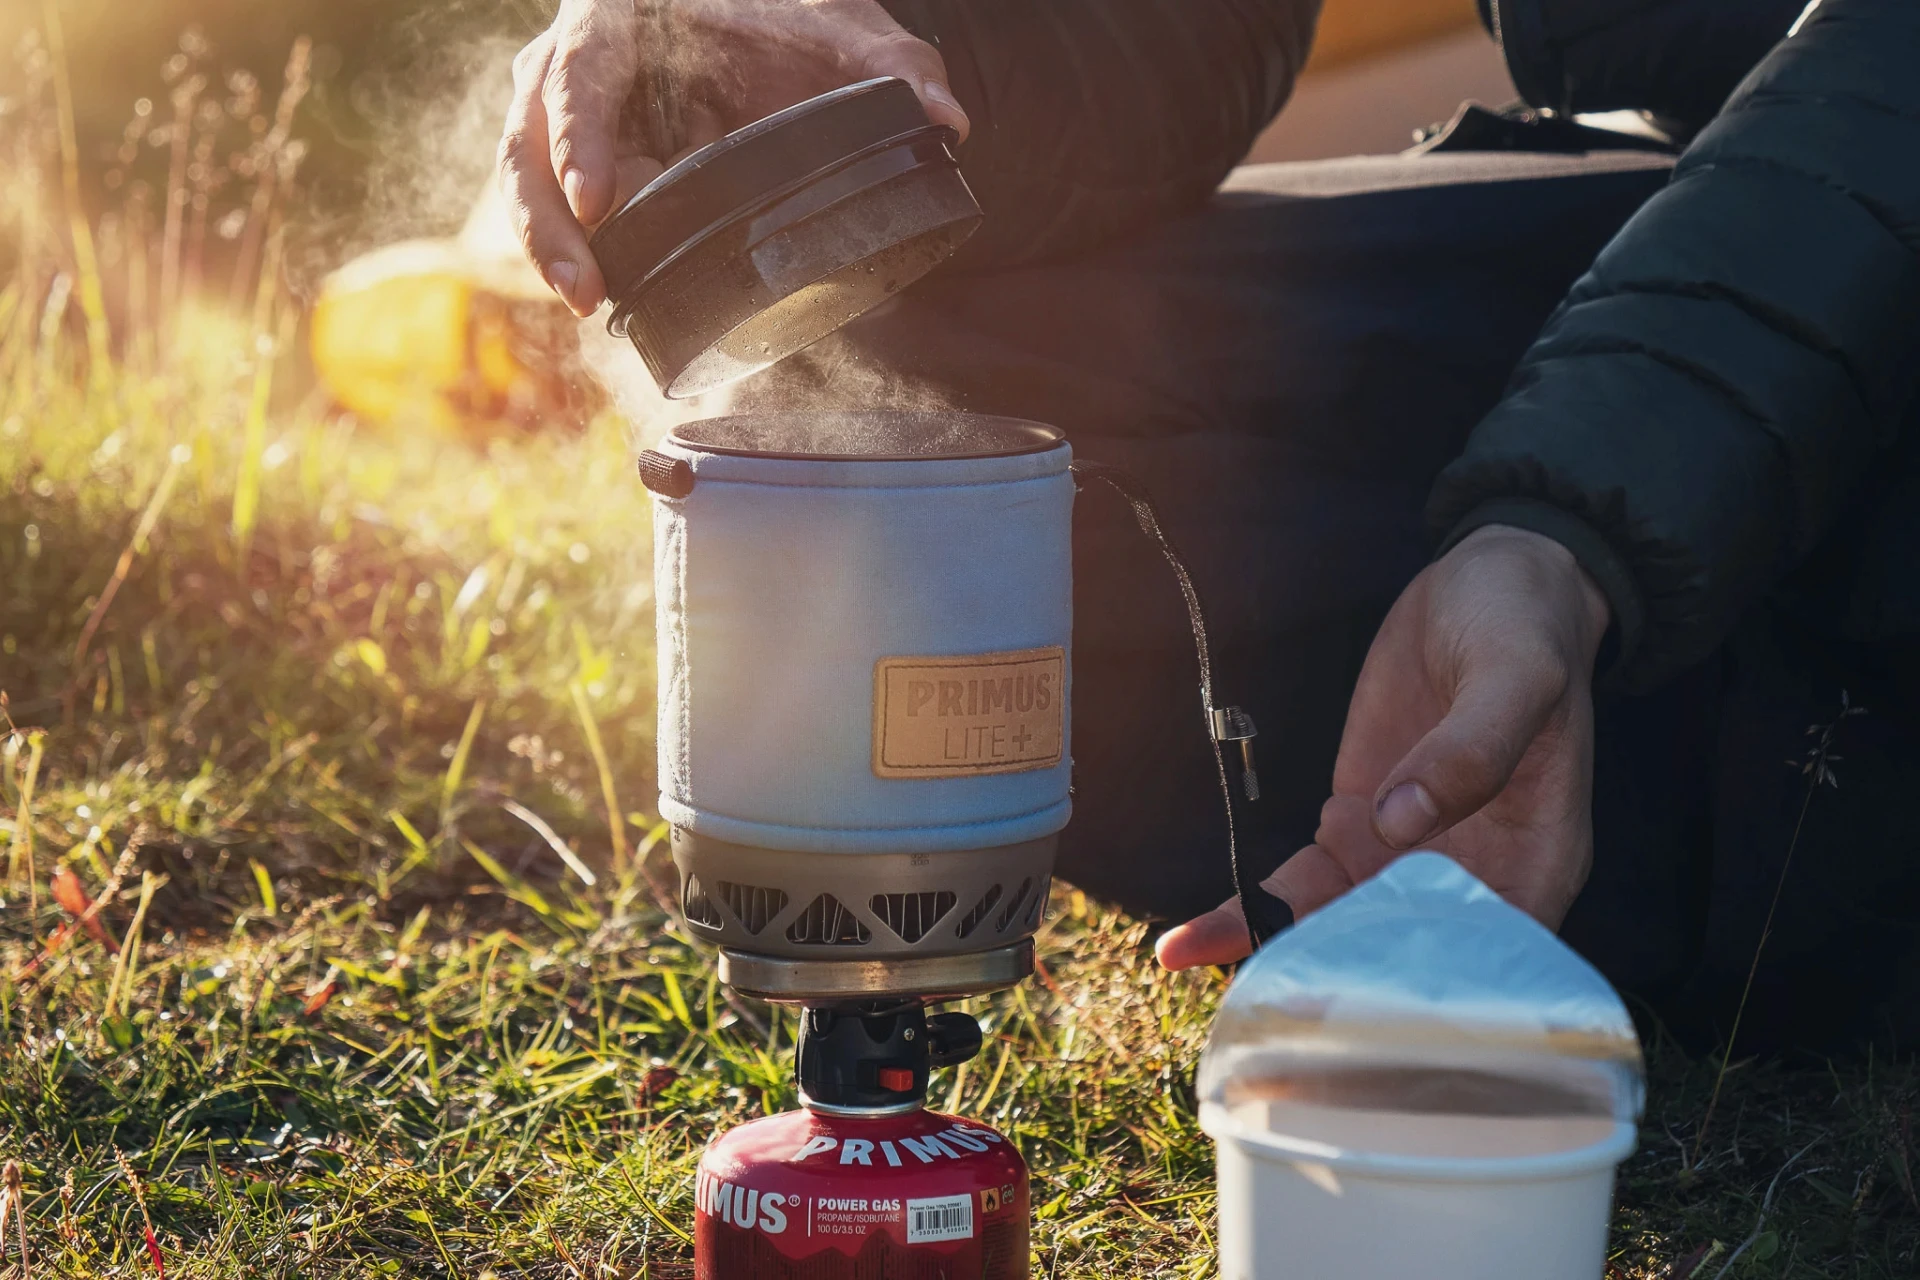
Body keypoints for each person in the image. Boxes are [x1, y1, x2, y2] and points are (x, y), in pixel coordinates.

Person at [498, 0, 1920, 1052]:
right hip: (1725, 198)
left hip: (1856, 227)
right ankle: (1692, 793)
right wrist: (818, 53)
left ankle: (1765, 816)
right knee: (893, 384)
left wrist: (1567, 532)